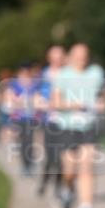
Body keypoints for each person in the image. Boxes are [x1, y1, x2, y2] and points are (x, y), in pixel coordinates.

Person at [51, 43, 105, 208]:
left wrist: (101, 102)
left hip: (89, 125)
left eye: (85, 55)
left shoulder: (96, 72)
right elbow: (56, 102)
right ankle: (67, 190)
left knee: (87, 167)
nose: (82, 59)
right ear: (71, 57)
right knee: (70, 169)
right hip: (67, 125)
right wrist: (75, 105)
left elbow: (103, 92)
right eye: (78, 56)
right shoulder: (63, 75)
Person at [36, 44, 67, 199]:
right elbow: (36, 95)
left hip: (66, 121)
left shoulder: (70, 74)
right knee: (51, 156)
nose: (58, 58)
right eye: (55, 55)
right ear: (49, 58)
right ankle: (44, 182)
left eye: (60, 55)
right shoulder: (43, 75)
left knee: (63, 157)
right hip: (49, 120)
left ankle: (58, 187)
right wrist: (41, 102)